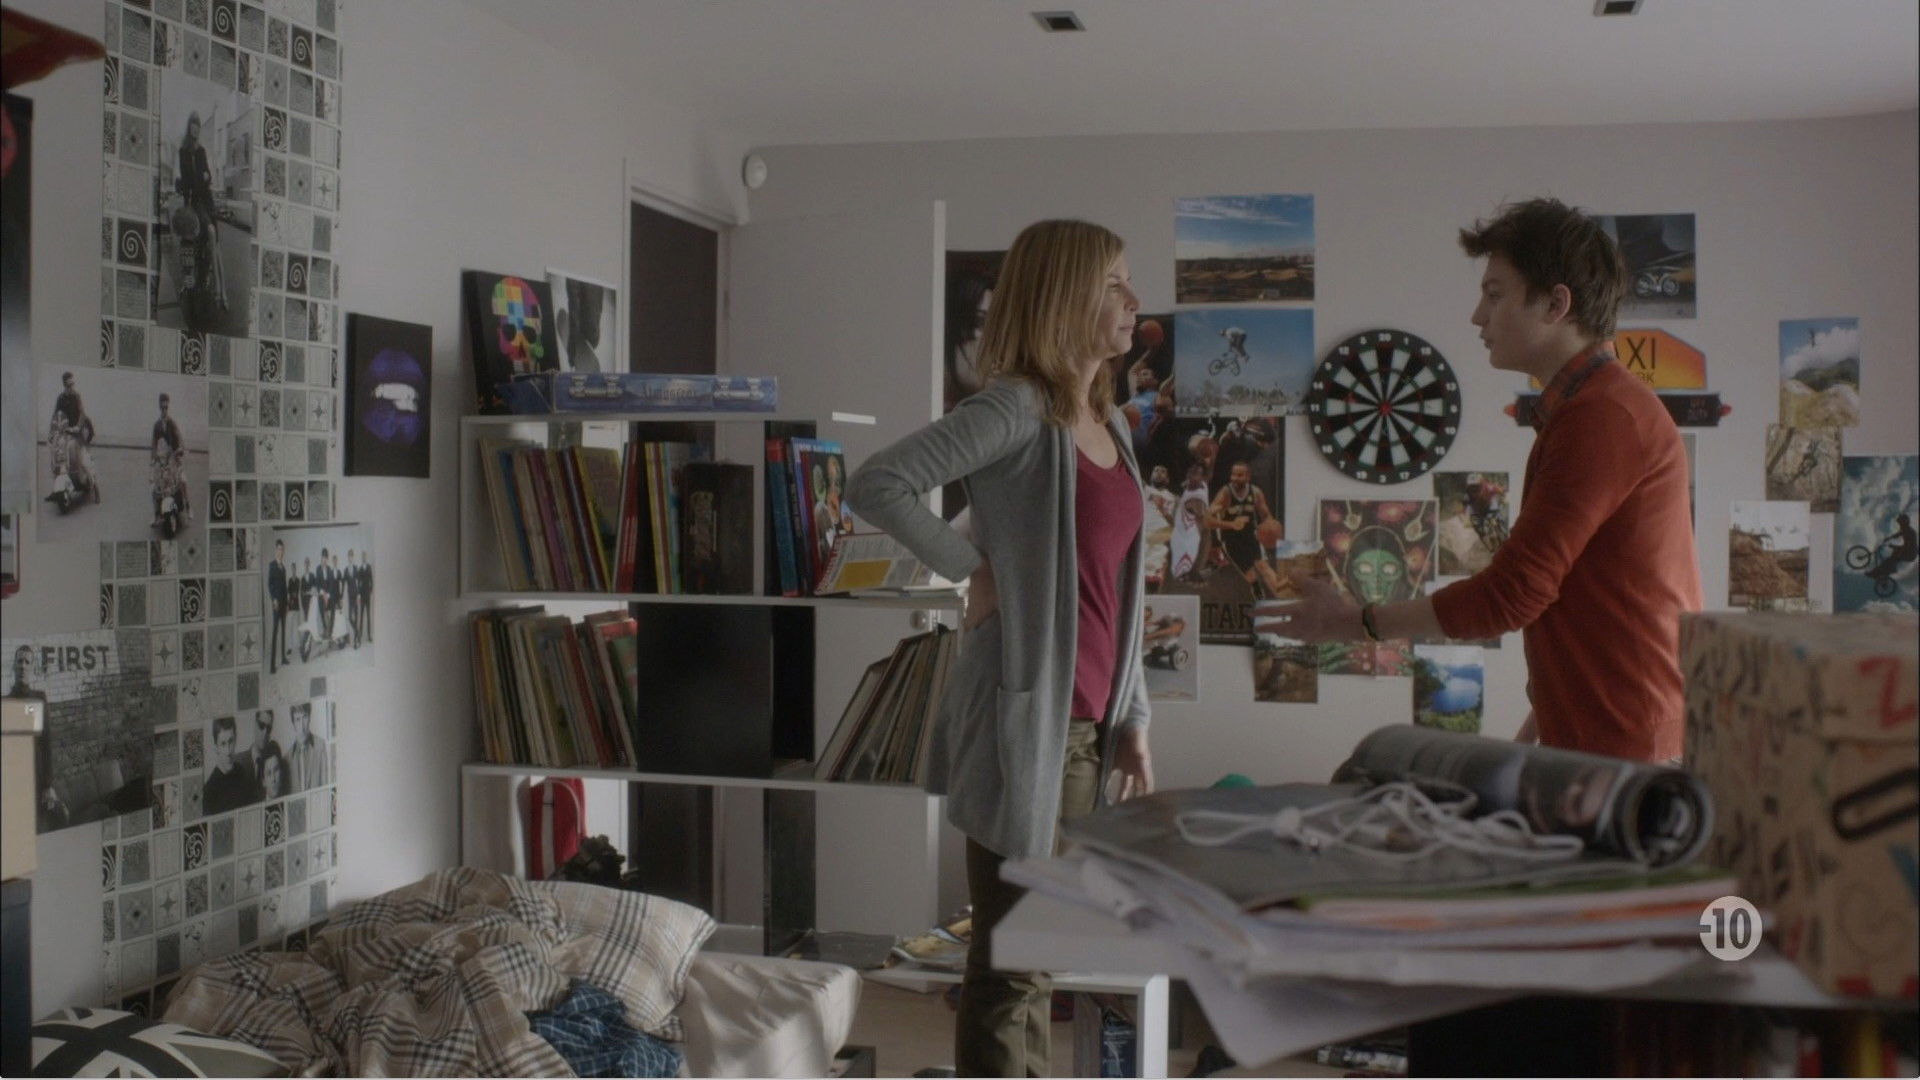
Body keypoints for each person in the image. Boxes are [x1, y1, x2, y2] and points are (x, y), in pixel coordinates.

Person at [846, 219, 1154, 1078]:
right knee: (1014, 964)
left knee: (1035, 958)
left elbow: (1119, 595)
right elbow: (877, 482)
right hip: (1027, 728)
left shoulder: (1110, 423)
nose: (1135, 300)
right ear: (1064, 297)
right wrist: (970, 570)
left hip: (1088, 729)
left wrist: (1134, 717)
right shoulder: (1014, 409)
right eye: (1114, 284)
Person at [1282, 198, 1702, 762]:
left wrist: (1352, 623)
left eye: (1495, 294)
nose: (1477, 316)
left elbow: (1513, 595)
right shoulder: (1594, 410)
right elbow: (1589, 596)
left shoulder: (1603, 417)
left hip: (1626, 746)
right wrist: (1540, 725)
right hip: (1613, 734)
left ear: (1555, 304)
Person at [1204, 460, 1278, 596]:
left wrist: (1270, 528)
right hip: (1231, 541)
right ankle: (1257, 596)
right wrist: (1231, 524)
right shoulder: (1225, 493)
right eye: (1233, 475)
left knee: (1264, 568)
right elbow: (1206, 519)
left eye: (1239, 475)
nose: (1234, 478)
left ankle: (1284, 599)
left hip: (1251, 537)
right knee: (1249, 576)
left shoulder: (1255, 492)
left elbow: (1266, 515)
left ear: (1248, 476)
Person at [203, 715, 261, 814]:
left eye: (231, 741)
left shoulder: (241, 771)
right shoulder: (209, 791)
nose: (228, 751)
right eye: (223, 744)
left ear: (236, 739)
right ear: (216, 747)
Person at [150, 392, 191, 525]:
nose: (164, 410)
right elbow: (153, 444)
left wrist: (180, 449)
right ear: (159, 407)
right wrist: (153, 459)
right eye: (162, 407)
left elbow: (179, 437)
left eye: (166, 407)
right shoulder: (156, 425)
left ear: (168, 407)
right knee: (154, 487)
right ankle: (156, 514)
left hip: (174, 458)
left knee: (183, 480)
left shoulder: (172, 423)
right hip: (163, 461)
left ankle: (188, 506)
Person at [287, 702, 327, 791]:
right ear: (293, 723)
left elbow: (325, 786)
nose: (302, 726)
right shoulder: (287, 758)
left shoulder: (320, 746)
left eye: (305, 717)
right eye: (297, 719)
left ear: (309, 718)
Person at [268, 540, 289, 672]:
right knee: (275, 632)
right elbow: (269, 584)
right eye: (279, 549)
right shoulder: (272, 565)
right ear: (276, 550)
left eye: (282, 549)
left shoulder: (284, 568)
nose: (280, 552)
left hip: (283, 604)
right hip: (276, 604)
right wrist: (274, 599)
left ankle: (283, 658)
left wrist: (286, 604)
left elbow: (285, 588)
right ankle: (272, 666)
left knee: (283, 631)